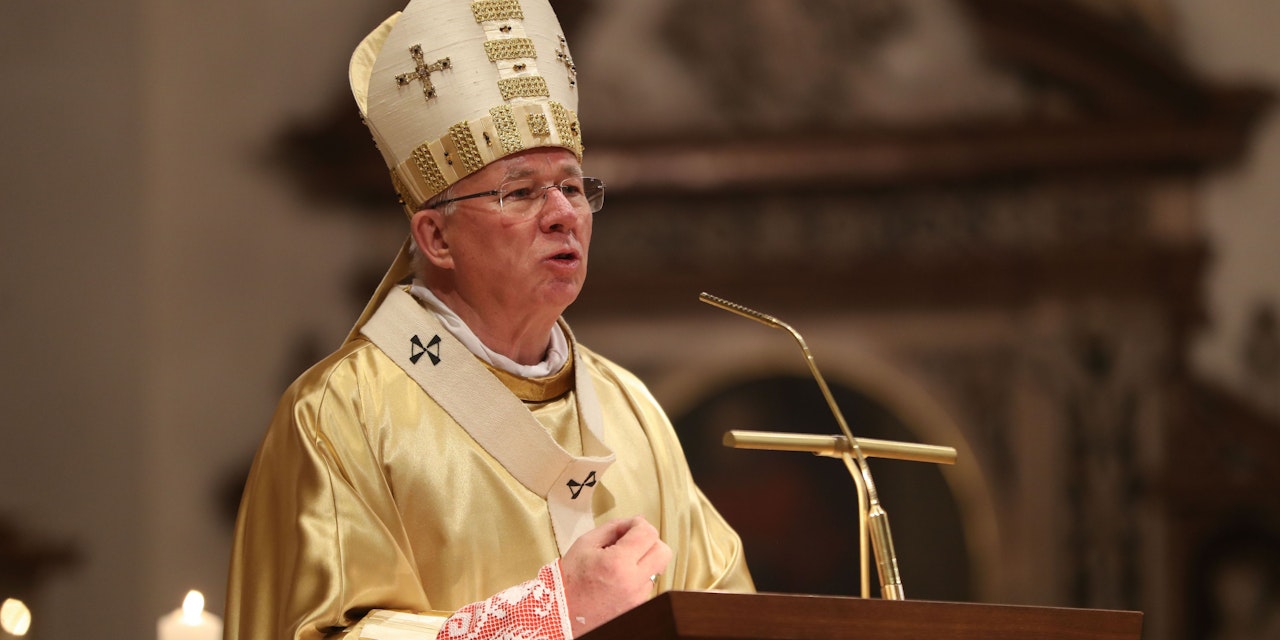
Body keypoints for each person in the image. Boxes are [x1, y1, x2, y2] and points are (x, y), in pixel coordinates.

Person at [223, 1, 754, 639]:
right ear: (436, 238)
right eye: (521, 191)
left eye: (574, 186)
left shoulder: (630, 410)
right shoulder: (342, 414)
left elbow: (727, 614)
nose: (564, 213)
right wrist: (551, 617)